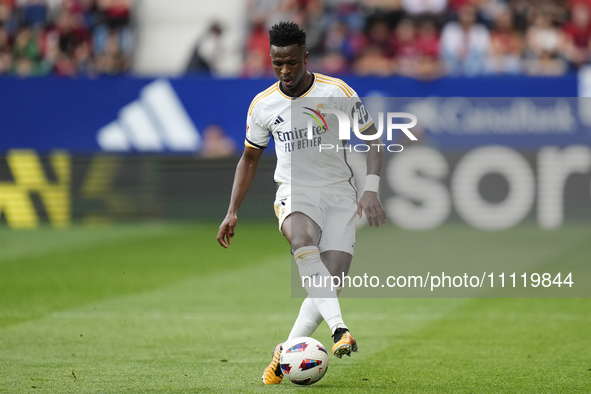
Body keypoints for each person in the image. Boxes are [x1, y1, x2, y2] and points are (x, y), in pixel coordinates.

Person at [216, 21, 386, 385]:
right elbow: (249, 159)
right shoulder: (263, 105)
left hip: (340, 193)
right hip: (294, 192)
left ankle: (286, 351)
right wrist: (232, 210)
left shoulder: (336, 91)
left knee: (330, 281)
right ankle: (340, 330)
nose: (285, 71)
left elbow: (374, 139)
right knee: (301, 239)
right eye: (278, 64)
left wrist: (371, 187)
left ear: (305, 57)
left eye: (291, 62)